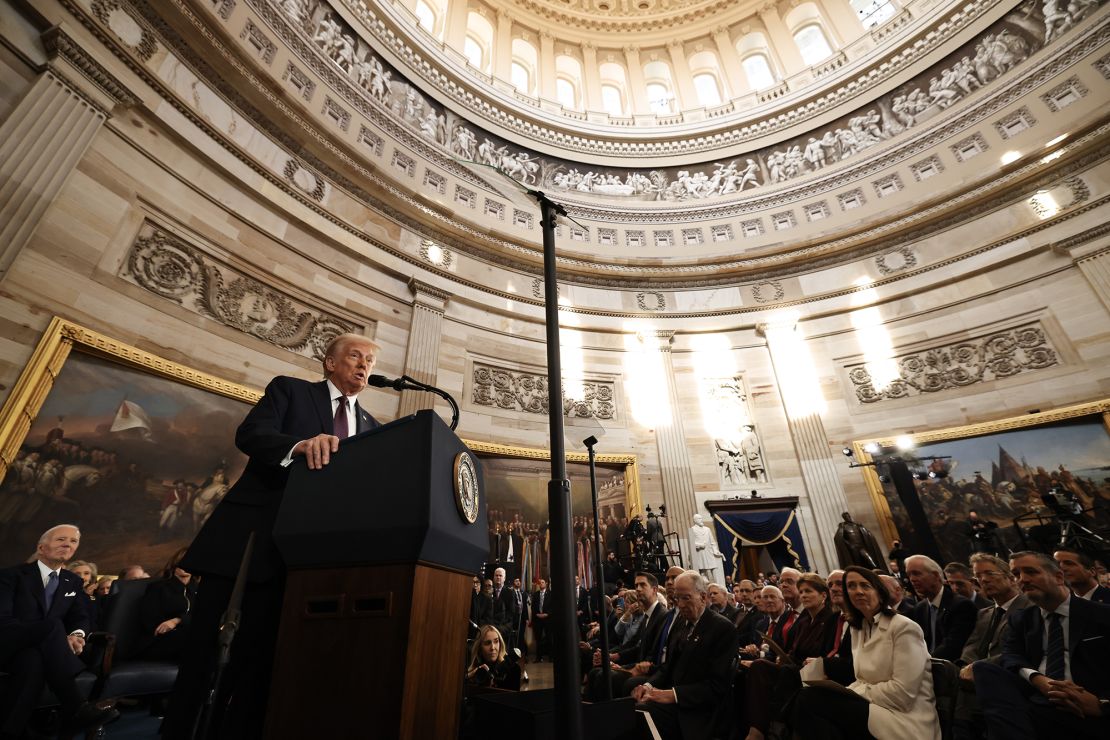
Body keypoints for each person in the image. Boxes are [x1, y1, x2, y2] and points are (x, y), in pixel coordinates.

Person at [162, 333, 381, 740]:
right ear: (330, 362)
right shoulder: (291, 392)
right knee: (206, 661)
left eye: (370, 359)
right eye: (355, 356)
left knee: (264, 670)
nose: (364, 365)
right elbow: (251, 434)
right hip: (248, 548)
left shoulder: (372, 427)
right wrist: (299, 445)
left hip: (307, 564)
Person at [792, 566, 941, 739]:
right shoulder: (859, 628)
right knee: (806, 697)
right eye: (852, 586)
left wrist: (853, 693)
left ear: (879, 591)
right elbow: (862, 678)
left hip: (905, 718)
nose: (858, 591)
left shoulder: (903, 627)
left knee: (811, 700)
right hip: (876, 706)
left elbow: (903, 694)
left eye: (865, 585)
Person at [973, 551, 1110, 739]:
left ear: (1058, 577)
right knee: (983, 669)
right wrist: (1040, 681)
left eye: (1031, 572)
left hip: (1084, 700)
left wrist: (1103, 704)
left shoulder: (1101, 614)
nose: (1023, 579)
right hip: (1038, 697)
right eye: (1016, 574)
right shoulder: (1021, 619)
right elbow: (1011, 655)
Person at [0, 525, 119, 737]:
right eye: (61, 539)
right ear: (41, 547)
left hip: (34, 654)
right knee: (53, 625)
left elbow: (81, 617)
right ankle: (76, 705)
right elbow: (4, 621)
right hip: (7, 644)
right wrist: (52, 636)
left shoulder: (72, 581)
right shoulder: (11, 576)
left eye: (73, 541)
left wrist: (77, 635)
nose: (68, 544)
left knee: (32, 661)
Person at [632, 571, 738, 740]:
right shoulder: (681, 623)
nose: (680, 604)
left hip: (700, 710)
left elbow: (717, 686)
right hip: (676, 701)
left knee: (645, 713)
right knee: (632, 708)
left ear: (703, 597)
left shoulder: (722, 629)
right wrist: (648, 686)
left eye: (686, 598)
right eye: (677, 598)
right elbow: (668, 667)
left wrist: (672, 695)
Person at [743, 573, 837, 740]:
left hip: (814, 672)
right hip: (795, 668)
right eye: (801, 592)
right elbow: (795, 651)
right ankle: (756, 728)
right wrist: (784, 657)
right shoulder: (804, 620)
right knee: (759, 666)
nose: (804, 596)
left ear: (823, 595)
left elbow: (826, 652)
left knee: (774, 672)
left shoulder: (830, 618)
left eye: (808, 591)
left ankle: (773, 728)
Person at [953, 553, 1031, 740]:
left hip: (1008, 682)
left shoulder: (1029, 607)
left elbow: (1020, 650)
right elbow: (972, 646)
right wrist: (965, 666)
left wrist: (979, 668)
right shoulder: (984, 613)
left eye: (989, 573)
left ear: (1010, 577)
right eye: (978, 576)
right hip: (974, 684)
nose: (983, 580)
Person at [906, 554, 977, 661]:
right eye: (909, 575)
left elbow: (953, 647)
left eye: (916, 574)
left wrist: (924, 664)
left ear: (935, 576)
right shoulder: (920, 608)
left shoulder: (961, 605)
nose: (912, 579)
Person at [134, 548, 197, 662]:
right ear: (174, 564)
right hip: (157, 641)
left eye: (192, 561)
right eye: (184, 562)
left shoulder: (199, 591)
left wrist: (178, 620)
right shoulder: (158, 587)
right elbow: (150, 620)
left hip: (186, 639)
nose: (188, 565)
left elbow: (204, 618)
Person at [465, 625, 521, 691]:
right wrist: (469, 676)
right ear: (480, 648)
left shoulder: (513, 670)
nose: (493, 647)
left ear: (500, 643)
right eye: (487, 643)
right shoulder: (474, 672)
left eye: (496, 641)